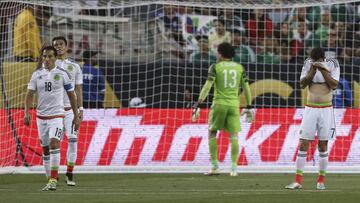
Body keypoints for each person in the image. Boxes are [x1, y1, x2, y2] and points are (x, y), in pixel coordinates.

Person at [191, 42, 254, 176]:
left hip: (219, 104)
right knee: (234, 135)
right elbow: (247, 88)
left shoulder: (215, 67)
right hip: (233, 105)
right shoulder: (240, 68)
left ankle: (215, 167)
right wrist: (249, 105)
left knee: (212, 132)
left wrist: (198, 103)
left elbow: (208, 86)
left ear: (220, 53)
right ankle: (233, 168)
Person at [24, 46, 80, 191]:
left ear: (55, 58)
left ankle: (53, 179)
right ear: (42, 58)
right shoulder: (37, 74)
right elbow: (29, 94)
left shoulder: (62, 73)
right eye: (45, 56)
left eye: (50, 56)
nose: (47, 59)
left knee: (54, 143)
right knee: (45, 149)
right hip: (41, 117)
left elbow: (72, 95)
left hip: (57, 116)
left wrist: (76, 115)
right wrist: (27, 113)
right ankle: (50, 177)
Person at [285, 48, 340, 190]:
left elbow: (333, 85)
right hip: (310, 108)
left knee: (323, 145)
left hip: (326, 110)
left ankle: (321, 181)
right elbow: (303, 84)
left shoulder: (333, 64)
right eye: (313, 60)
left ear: (323, 58)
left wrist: (322, 69)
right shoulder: (308, 63)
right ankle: (298, 181)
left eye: (318, 60)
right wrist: (313, 70)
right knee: (303, 143)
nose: (314, 62)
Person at [52, 36, 83, 186]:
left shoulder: (74, 66)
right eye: (55, 45)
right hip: (55, 111)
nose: (58, 47)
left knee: (73, 140)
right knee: (54, 143)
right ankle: (54, 174)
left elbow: (78, 88)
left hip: (71, 110)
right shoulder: (50, 65)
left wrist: (80, 108)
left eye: (61, 44)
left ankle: (70, 173)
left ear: (66, 46)